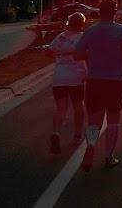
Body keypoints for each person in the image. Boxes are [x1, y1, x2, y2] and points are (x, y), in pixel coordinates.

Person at [73, 0, 122, 171]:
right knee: (113, 119)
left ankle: (91, 145)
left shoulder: (90, 31)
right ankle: (109, 156)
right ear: (115, 12)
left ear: (99, 13)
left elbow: (77, 55)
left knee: (94, 120)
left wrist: (91, 55)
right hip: (115, 80)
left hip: (94, 80)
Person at [44, 11, 87, 155]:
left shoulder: (61, 37)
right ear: (82, 24)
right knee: (78, 107)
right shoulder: (82, 37)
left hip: (60, 78)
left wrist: (59, 57)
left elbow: (48, 52)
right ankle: (77, 135)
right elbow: (87, 54)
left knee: (61, 109)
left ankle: (56, 132)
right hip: (76, 77)